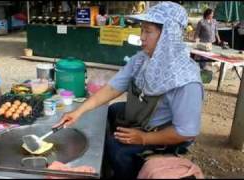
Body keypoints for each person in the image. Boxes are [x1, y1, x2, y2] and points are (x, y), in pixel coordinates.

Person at [54, 2, 203, 179]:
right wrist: (79, 111)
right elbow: (112, 87)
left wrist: (143, 138)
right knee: (113, 110)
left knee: (116, 150)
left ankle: (127, 171)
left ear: (168, 36)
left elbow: (186, 132)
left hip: (163, 135)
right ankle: (116, 156)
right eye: (142, 30)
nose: (142, 37)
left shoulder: (186, 80)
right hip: (143, 119)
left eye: (148, 31)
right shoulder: (142, 59)